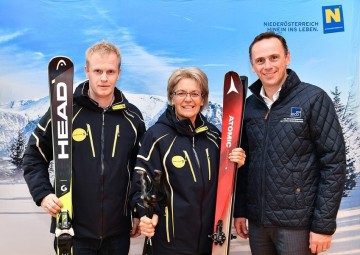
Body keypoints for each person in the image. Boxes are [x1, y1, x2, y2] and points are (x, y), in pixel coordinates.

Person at [22, 41, 146, 254]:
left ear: (119, 73)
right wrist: (42, 193)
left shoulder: (132, 118)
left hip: (117, 235)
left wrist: (138, 211)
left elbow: (140, 170)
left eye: (110, 71)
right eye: (98, 70)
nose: (104, 78)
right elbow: (34, 155)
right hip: (72, 231)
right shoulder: (64, 111)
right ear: (87, 70)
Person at [233, 31, 346, 255]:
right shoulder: (249, 107)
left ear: (287, 58)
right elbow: (244, 165)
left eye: (274, 57)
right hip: (258, 224)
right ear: (252, 66)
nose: (267, 66)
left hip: (297, 225)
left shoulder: (313, 99)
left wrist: (323, 225)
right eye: (260, 61)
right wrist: (240, 210)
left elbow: (333, 164)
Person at [130, 67, 246, 255]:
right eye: (181, 93)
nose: (188, 99)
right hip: (170, 242)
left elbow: (226, 181)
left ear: (203, 99)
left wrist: (236, 164)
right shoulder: (157, 136)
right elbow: (143, 180)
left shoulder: (214, 137)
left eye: (194, 93)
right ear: (172, 97)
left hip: (211, 242)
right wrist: (145, 215)